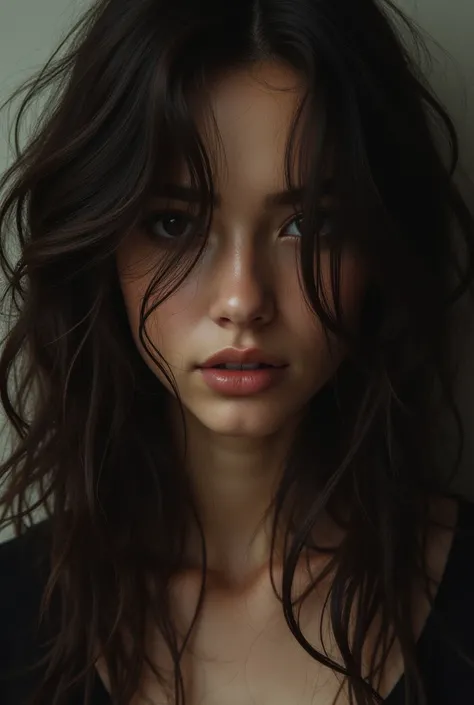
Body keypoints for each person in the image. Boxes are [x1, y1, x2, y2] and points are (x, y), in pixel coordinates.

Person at [1, 0, 474, 703]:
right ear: (99, 242)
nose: (242, 298)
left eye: (308, 224)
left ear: (380, 244)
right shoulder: (10, 616)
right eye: (173, 222)